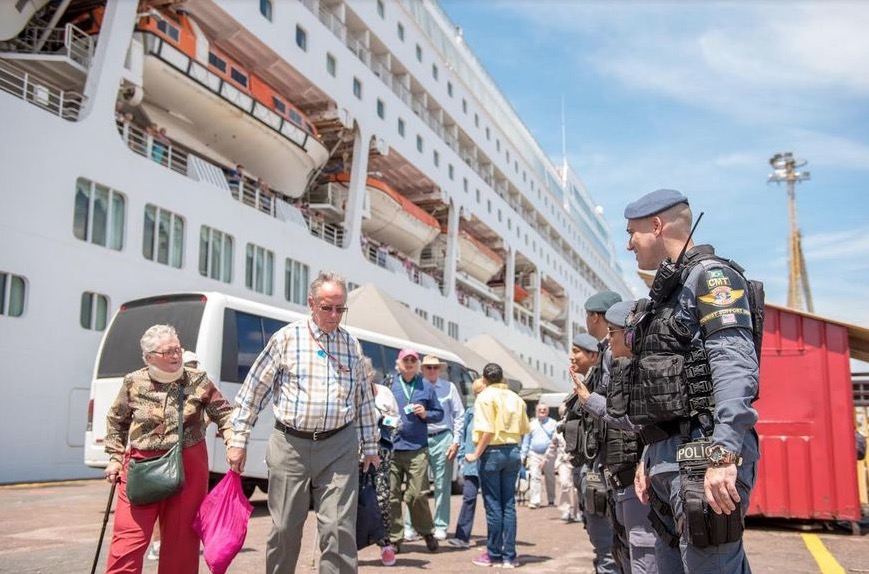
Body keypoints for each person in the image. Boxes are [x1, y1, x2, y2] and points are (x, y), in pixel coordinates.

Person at [624, 189, 761, 573]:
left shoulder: (712, 278)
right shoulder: (668, 291)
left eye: (632, 233)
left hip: (704, 456)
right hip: (666, 462)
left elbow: (733, 364)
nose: (629, 244)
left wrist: (724, 453)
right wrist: (648, 454)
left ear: (656, 226)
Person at [227, 271, 380, 574]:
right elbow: (253, 391)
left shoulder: (351, 345)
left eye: (340, 309)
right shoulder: (286, 338)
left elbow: (363, 398)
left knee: (338, 528)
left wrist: (371, 447)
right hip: (290, 446)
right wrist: (238, 439)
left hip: (339, 446)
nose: (334, 315)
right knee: (285, 527)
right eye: (327, 308)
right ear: (311, 303)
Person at [103, 324, 233, 574]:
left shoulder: (198, 380)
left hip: (188, 463)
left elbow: (225, 413)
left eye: (177, 349)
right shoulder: (134, 381)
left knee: (181, 542)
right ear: (150, 357)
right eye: (168, 352)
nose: (175, 356)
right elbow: (117, 420)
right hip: (141, 466)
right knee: (128, 540)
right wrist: (115, 457)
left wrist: (232, 441)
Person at [575, 300, 658, 573]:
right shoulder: (616, 360)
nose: (609, 340)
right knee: (624, 547)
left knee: (641, 550)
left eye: (613, 332)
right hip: (617, 468)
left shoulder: (637, 367)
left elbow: (634, 418)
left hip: (630, 470)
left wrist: (590, 400)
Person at [573, 291, 622, 574]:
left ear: (594, 317)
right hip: (603, 462)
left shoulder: (611, 354)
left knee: (610, 548)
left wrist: (587, 398)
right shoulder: (607, 353)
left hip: (611, 463)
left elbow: (616, 410)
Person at [465, 363, 530, 569]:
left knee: (493, 504)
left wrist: (475, 454)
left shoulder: (484, 397)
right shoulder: (516, 398)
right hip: (512, 450)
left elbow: (488, 430)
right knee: (508, 504)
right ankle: (509, 555)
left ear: (484, 379)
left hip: (492, 452)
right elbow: (524, 429)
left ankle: (494, 554)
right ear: (502, 378)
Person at [388, 349, 443, 553]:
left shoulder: (426, 386)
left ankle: (427, 531)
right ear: (399, 363)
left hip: (417, 448)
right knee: (391, 495)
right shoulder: (389, 384)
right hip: (392, 447)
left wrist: (425, 413)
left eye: (413, 360)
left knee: (417, 494)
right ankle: (394, 538)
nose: (410, 363)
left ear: (418, 364)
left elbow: (439, 413)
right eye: (406, 360)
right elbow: (377, 409)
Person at [411, 354, 465, 541]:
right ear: (422, 369)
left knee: (442, 484)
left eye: (435, 367)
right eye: (428, 367)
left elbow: (459, 415)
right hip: (419, 437)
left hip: (442, 437)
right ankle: (414, 525)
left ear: (440, 369)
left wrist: (456, 441)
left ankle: (440, 525)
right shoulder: (416, 386)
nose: (432, 370)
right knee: (415, 485)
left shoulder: (449, 387)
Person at [363, 356, 401, 566]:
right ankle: (347, 546)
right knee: (350, 501)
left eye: (365, 373)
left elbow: (397, 421)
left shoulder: (384, 392)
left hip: (381, 453)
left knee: (382, 498)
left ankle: (386, 544)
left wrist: (386, 420)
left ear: (371, 374)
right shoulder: (346, 392)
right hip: (352, 454)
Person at [447, 377, 486, 549]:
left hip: (488, 463)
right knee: (468, 498)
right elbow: (463, 437)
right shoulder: (471, 412)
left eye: (483, 392)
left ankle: (495, 539)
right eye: (477, 392)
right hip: (471, 464)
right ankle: (462, 537)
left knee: (491, 501)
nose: (480, 395)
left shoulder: (493, 412)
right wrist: (462, 456)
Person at [544, 405, 579, 523]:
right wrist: (545, 459)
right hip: (563, 461)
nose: (565, 415)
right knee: (564, 484)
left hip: (577, 460)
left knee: (577, 488)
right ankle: (566, 510)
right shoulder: (558, 426)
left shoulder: (578, 424)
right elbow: (553, 444)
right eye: (563, 413)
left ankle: (578, 512)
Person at [521, 403, 558, 509]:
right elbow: (526, 441)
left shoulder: (553, 424)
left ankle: (551, 500)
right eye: (540, 409)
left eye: (544, 409)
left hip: (549, 455)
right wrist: (523, 455)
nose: (542, 411)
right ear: (536, 411)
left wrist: (547, 456)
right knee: (534, 477)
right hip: (534, 454)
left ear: (548, 411)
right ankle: (535, 501)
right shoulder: (531, 424)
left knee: (550, 478)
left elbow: (555, 441)